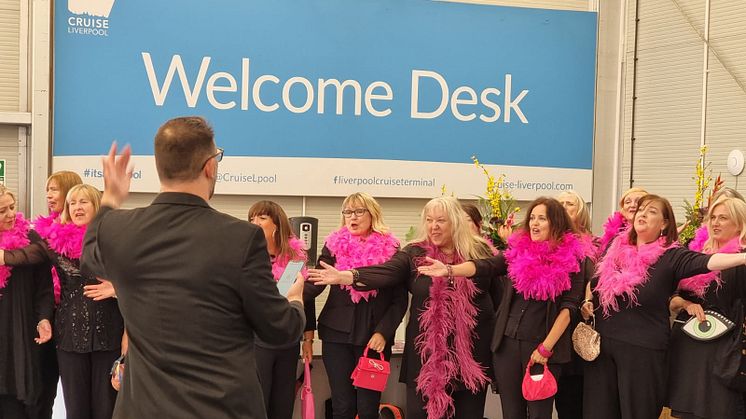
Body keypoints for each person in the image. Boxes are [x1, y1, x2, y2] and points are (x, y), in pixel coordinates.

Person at [80, 116, 306, 419]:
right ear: (210, 166)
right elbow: (279, 329)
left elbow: (89, 255)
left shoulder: (118, 229)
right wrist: (295, 300)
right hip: (222, 408)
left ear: (160, 167)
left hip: (144, 409)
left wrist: (110, 198)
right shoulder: (241, 238)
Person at [309, 196, 496, 419]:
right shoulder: (414, 253)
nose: (433, 226)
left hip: (470, 355)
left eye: (440, 220)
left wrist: (453, 270)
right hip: (425, 354)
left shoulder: (481, 252)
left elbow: (501, 286)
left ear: (455, 221)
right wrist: (348, 276)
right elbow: (387, 272)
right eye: (429, 220)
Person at [417, 197, 592, 419]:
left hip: (543, 348)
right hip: (507, 346)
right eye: (532, 218)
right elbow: (487, 266)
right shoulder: (519, 252)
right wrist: (450, 270)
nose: (534, 224)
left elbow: (568, 310)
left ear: (556, 223)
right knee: (511, 413)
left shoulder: (575, 259)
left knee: (539, 414)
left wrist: (545, 349)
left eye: (542, 219)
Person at [581, 194, 746, 419]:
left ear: (665, 223)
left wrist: (743, 258)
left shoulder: (671, 255)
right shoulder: (615, 247)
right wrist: (587, 301)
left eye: (652, 211)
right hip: (603, 350)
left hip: (642, 354)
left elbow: (707, 262)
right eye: (641, 210)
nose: (643, 214)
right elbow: (595, 282)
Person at [2, 184, 124, 419]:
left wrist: (118, 288)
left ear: (96, 205)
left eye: (83, 202)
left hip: (108, 333)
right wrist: (5, 256)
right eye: (72, 203)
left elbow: (143, 279)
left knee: (106, 407)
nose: (77, 207)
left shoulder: (116, 240)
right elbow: (33, 253)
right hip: (69, 334)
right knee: (75, 408)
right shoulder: (55, 241)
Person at [303, 193, 407, 419]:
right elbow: (316, 282)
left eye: (359, 211)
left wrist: (383, 332)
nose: (353, 217)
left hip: (374, 338)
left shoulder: (392, 250)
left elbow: (399, 301)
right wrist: (284, 293)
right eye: (348, 212)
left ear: (372, 214)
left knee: (368, 408)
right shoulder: (333, 246)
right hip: (336, 334)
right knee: (342, 405)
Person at [667, 196, 746, 418]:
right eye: (713, 217)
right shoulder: (693, 253)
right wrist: (685, 303)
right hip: (689, 349)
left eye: (723, 218)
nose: (715, 222)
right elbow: (671, 298)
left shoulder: (742, 259)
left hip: (725, 353)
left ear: (740, 223)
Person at [249, 200, 308, 419]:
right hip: (258, 340)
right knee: (259, 403)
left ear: (276, 225)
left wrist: (308, 338)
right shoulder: (247, 256)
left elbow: (292, 297)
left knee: (282, 405)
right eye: (252, 218)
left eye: (262, 218)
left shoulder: (294, 259)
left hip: (287, 341)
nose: (255, 222)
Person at [31, 170, 82, 419]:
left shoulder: (87, 231)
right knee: (43, 386)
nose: (49, 195)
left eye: (54, 189)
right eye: (47, 190)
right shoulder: (39, 232)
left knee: (77, 393)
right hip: (47, 314)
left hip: (76, 319)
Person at [0, 186, 54, 418]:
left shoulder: (30, 239)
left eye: (12, 207)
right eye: (3, 210)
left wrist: (43, 318)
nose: (11, 214)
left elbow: (44, 288)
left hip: (19, 329)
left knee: (18, 392)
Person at [555, 190, 595, 419]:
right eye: (559, 203)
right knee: (565, 398)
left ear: (580, 211)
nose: (563, 206)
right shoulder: (550, 244)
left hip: (586, 325)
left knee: (581, 396)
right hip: (558, 324)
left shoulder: (597, 244)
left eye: (569, 203)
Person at [598, 187, 647, 253]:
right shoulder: (614, 235)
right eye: (628, 202)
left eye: (638, 202)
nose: (632, 205)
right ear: (623, 210)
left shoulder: (653, 235)